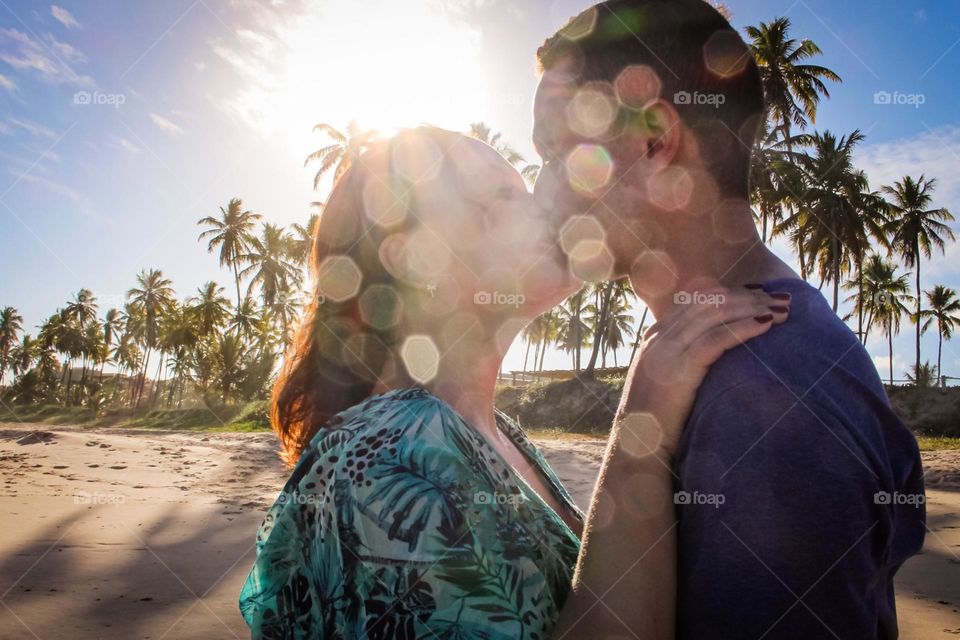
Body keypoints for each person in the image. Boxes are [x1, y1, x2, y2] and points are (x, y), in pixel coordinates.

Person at [238, 126, 791, 639]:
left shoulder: (492, 432)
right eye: (502, 197)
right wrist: (638, 443)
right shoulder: (389, 456)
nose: (545, 207)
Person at [532, 1, 926, 638]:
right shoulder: (703, 356)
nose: (541, 189)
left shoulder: (772, 393)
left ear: (653, 141)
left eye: (556, 152)